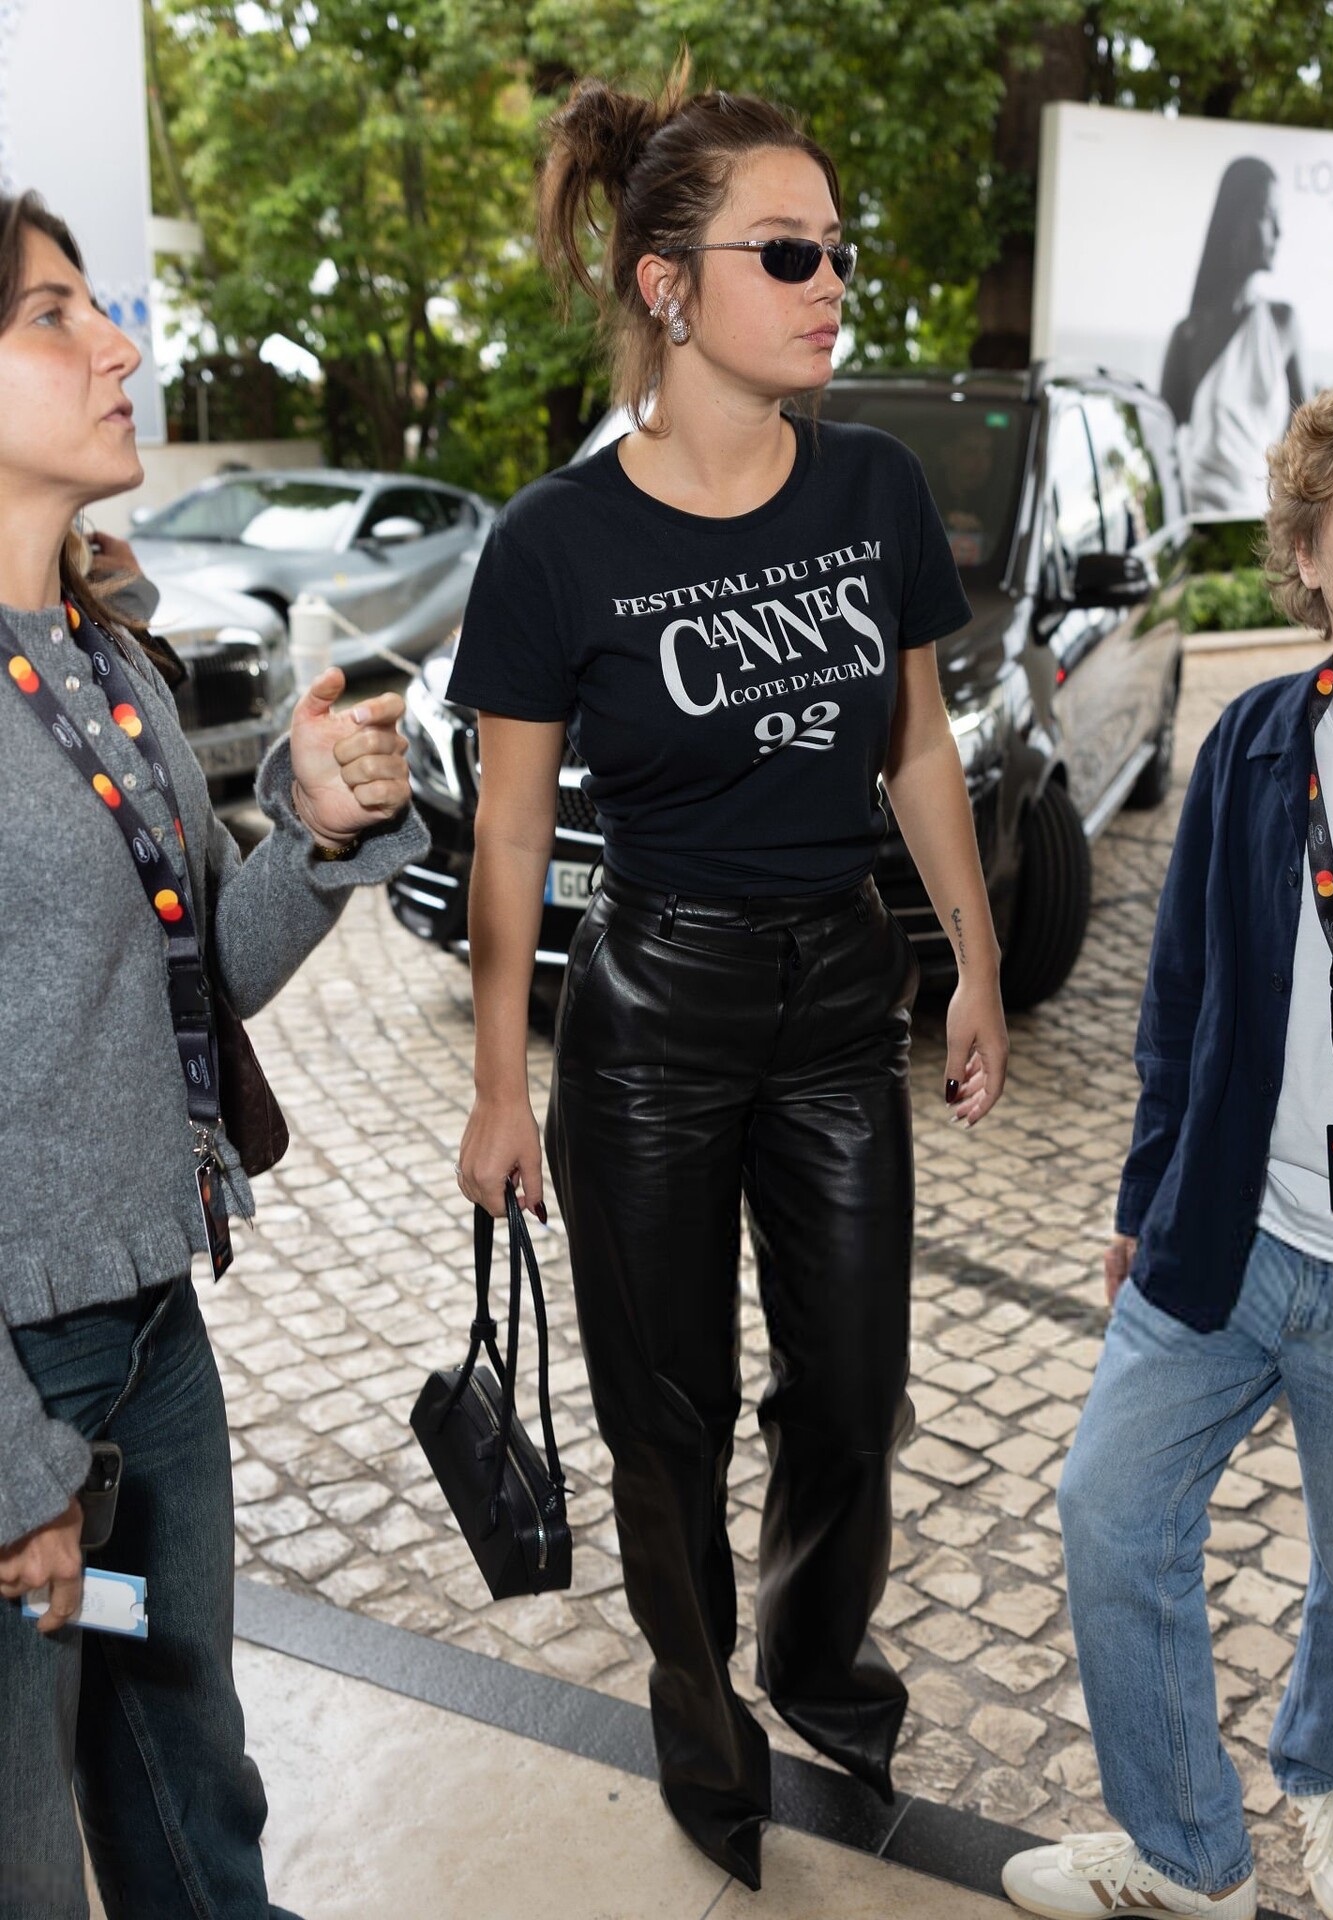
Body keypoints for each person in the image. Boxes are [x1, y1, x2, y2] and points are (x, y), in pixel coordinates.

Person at [450, 60, 1007, 1892]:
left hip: (842, 995)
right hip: (652, 1023)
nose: (831, 282)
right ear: (666, 283)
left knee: (851, 1392)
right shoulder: (554, 543)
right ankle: (705, 1732)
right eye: (789, 252)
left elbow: (915, 745)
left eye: (838, 248)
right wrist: (500, 1087)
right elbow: (510, 840)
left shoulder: (869, 487)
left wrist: (973, 963)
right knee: (662, 1414)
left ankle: (818, 1660)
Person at [0, 189, 425, 1918]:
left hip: (149, 1339)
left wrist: (312, 836)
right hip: (19, 1379)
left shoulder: (105, 659)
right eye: (51, 314)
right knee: (23, 1851)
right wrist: (10, 1467)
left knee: (186, 1767)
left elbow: (184, 991)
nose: (117, 346)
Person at [1002, 366, 1333, 1920]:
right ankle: (1187, 1854)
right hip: (1230, 1239)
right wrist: (1144, 1198)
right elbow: (1179, 997)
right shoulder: (1254, 741)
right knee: (1109, 1515)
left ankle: (1327, 1782)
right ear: (1305, 553)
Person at [1160, 156, 1307, 517]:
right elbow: (1160, 448)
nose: (1279, 231)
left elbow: (1310, 442)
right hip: (1196, 521)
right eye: (1266, 215)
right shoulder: (1188, 335)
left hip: (1264, 522)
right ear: (1234, 222)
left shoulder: (1282, 324)